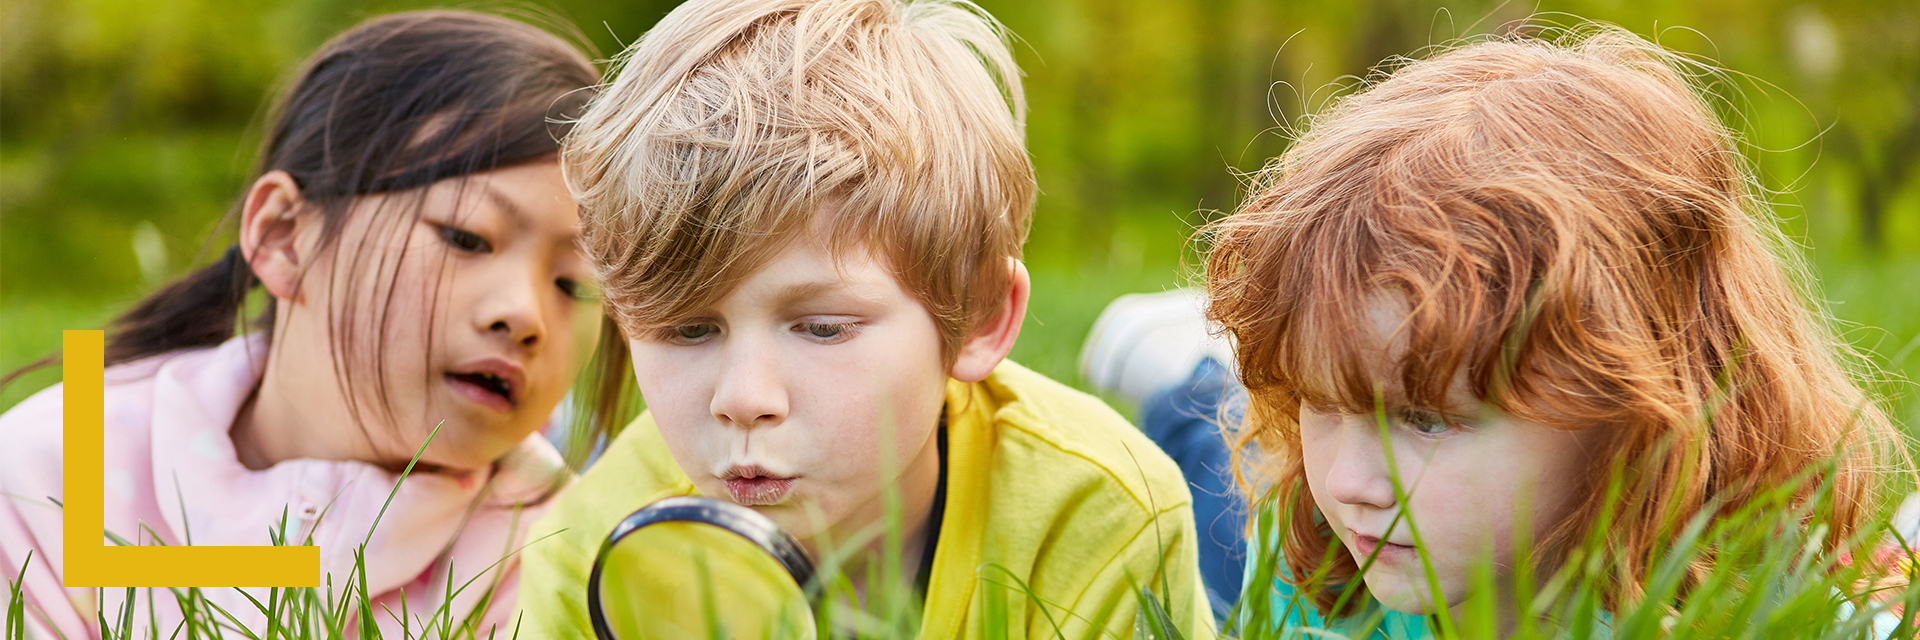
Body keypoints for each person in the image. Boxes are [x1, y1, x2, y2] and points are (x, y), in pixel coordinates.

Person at [514, 0, 1214, 637]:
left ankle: (1200, 382)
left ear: (977, 319)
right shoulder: (583, 551)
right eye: (686, 329)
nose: (743, 400)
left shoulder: (1099, 513)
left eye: (822, 327)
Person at [1193, 25, 1914, 638]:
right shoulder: (1305, 580)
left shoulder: (1761, 618)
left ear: (1639, 400)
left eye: (1423, 418)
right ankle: (1189, 375)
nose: (1348, 483)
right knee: (1196, 451)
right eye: (1320, 400)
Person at [0, 11, 608, 638]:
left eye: (574, 285)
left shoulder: (561, 550)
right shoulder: (57, 469)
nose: (524, 314)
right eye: (465, 237)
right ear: (284, 237)